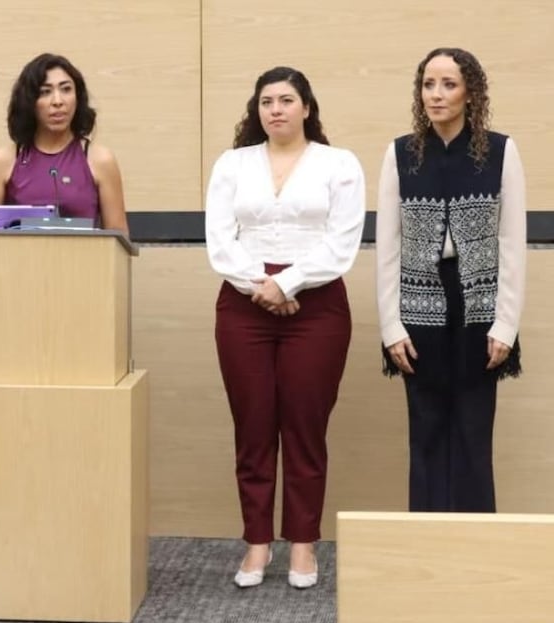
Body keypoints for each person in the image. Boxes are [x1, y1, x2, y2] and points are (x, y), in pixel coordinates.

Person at [205, 66, 365, 589]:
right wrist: (262, 285)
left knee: (303, 428)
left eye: (286, 100)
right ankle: (256, 544)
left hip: (316, 310)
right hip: (243, 303)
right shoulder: (233, 163)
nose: (275, 109)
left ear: (307, 108)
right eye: (266, 101)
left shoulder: (338, 164)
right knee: (252, 428)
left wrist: (288, 284)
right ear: (257, 111)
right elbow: (219, 239)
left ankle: (302, 543)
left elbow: (342, 243)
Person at [376, 47, 525, 513]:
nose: (436, 95)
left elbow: (512, 243)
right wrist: (390, 327)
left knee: (474, 433)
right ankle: (426, 540)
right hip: (418, 309)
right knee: (426, 430)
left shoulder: (500, 150)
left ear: (470, 93)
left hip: (480, 307)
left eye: (449, 84)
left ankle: (477, 544)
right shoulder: (401, 153)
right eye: (428, 84)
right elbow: (387, 248)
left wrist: (506, 324)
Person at [0, 53, 128, 232]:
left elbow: (118, 241)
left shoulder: (101, 160)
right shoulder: (3, 160)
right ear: (29, 102)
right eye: (45, 92)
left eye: (66, 89)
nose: (58, 101)